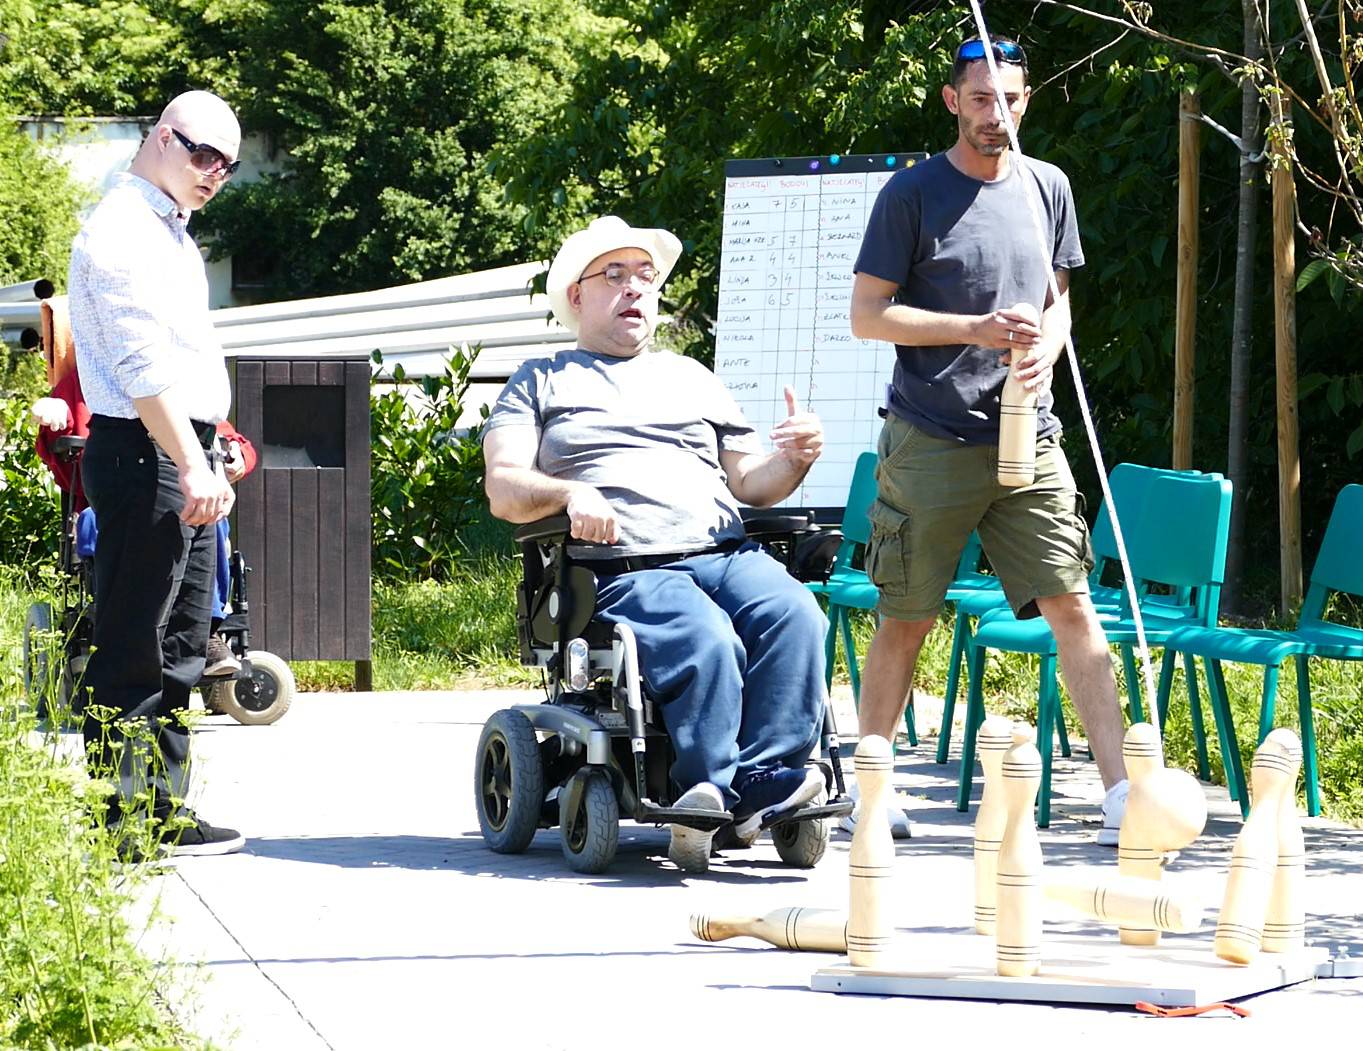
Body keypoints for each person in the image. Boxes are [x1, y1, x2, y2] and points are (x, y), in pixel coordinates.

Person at [483, 216, 831, 873]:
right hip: (622, 564)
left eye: (645, 276)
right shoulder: (541, 378)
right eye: (614, 275)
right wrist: (567, 493)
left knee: (796, 615)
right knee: (706, 638)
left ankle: (764, 783)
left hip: (723, 550)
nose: (635, 289)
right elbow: (503, 487)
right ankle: (705, 787)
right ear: (576, 296)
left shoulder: (693, 377)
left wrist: (795, 458)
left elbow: (753, 483)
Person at [848, 36, 1130, 844]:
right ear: (950, 101)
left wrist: (1046, 340)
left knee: (1073, 603)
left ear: (1026, 101)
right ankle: (875, 786)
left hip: (1029, 435)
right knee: (907, 615)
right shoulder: (911, 195)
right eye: (979, 99)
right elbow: (868, 315)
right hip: (931, 435)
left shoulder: (1048, 187)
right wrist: (970, 327)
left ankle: (1118, 798)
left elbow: (1058, 298)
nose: (994, 116)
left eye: (1007, 99)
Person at [67, 89, 245, 857]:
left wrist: (208, 454)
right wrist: (187, 458)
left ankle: (162, 807)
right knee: (133, 637)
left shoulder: (173, 233)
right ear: (160, 137)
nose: (215, 173)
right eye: (203, 154)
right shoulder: (120, 230)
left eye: (228, 166)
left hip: (178, 450)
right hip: (144, 449)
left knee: (183, 640)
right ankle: (119, 817)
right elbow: (141, 370)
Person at [32, 373, 255, 678]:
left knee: (212, 518)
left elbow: (226, 435)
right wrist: (52, 420)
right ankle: (124, 635)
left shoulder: (179, 378)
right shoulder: (84, 379)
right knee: (94, 522)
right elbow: (57, 451)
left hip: (179, 491)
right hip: (108, 498)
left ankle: (209, 631)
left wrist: (236, 454)